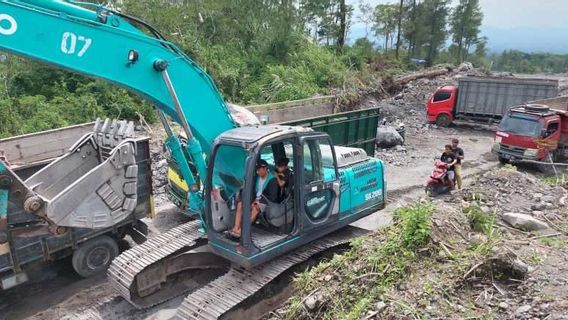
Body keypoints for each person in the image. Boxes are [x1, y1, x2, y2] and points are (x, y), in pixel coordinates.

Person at [228, 159, 282, 239]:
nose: (257, 171)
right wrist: (249, 200)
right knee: (240, 204)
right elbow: (252, 191)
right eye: (257, 169)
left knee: (255, 208)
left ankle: (242, 230)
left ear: (265, 169)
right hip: (256, 200)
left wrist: (257, 201)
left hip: (267, 203)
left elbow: (272, 197)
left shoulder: (272, 180)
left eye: (259, 169)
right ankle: (236, 227)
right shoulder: (256, 178)